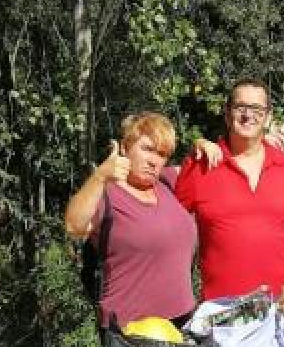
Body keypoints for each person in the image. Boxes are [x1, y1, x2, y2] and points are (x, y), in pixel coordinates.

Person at [63, 111, 197, 329]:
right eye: (147, 149)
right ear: (125, 148)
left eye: (162, 154)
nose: (154, 161)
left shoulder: (168, 183)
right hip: (130, 331)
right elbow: (74, 226)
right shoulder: (107, 192)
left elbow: (211, 171)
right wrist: (99, 177)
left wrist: (203, 143)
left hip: (183, 323)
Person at [174, 79, 284, 300]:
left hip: (280, 307)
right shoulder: (201, 165)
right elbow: (166, 223)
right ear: (227, 114)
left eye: (256, 109)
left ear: (268, 117)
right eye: (240, 107)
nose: (247, 115)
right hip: (222, 311)